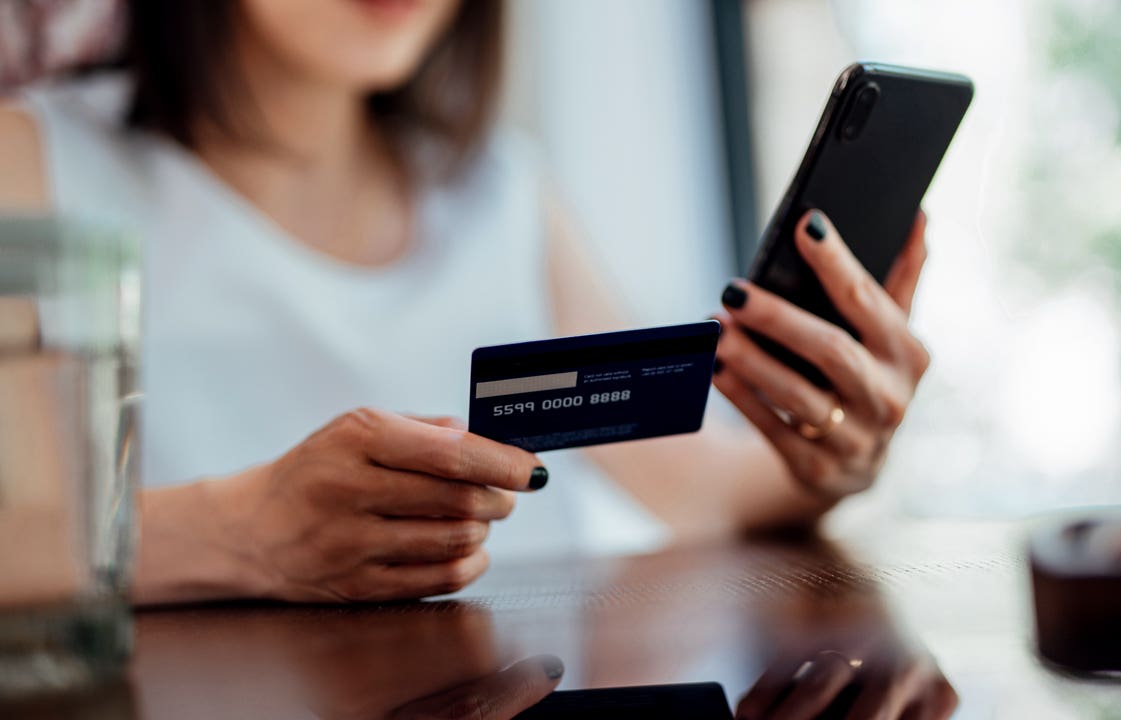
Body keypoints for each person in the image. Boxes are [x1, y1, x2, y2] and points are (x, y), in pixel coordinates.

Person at [0, 0, 932, 604]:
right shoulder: (34, 165)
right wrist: (242, 533)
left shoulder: (501, 190)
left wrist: (832, 458)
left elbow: (698, 488)